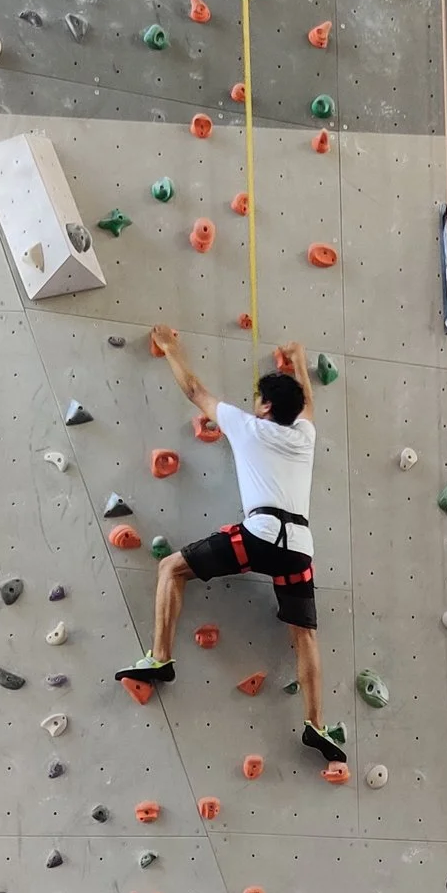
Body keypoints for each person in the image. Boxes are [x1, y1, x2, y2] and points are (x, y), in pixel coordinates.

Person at [116, 326, 345, 765]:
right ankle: (316, 724)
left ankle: (160, 658)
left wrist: (171, 349)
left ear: (265, 407)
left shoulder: (247, 427)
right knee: (305, 634)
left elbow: (195, 390)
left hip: (258, 536)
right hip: (297, 547)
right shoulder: (305, 437)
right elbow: (309, 406)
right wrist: (299, 357)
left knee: (172, 569)